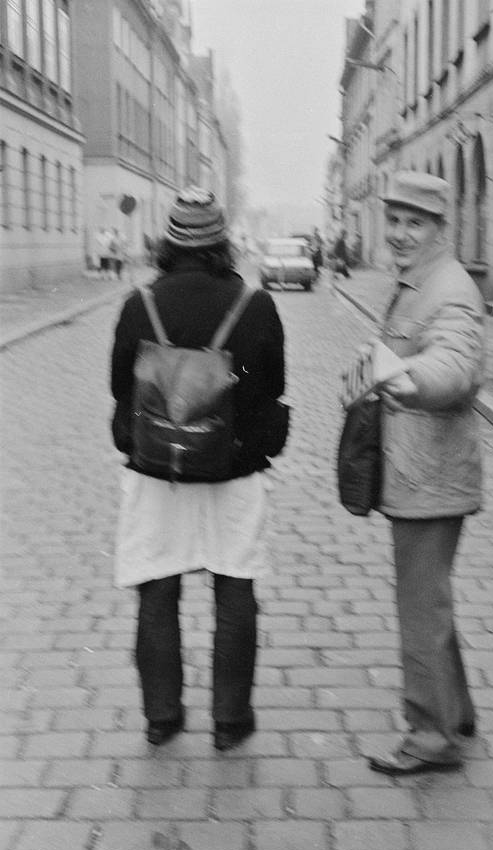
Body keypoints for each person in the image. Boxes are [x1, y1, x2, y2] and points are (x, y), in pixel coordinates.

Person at [110, 187, 285, 750]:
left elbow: (119, 386)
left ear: (169, 242)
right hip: (232, 470)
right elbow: (272, 387)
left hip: (157, 470)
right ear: (222, 243)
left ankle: (163, 717)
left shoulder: (140, 305)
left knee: (156, 589)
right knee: (235, 589)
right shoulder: (255, 305)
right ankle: (231, 721)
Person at [365, 171, 485, 776]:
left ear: (440, 228)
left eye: (415, 223)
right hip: (423, 469)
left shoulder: (450, 289)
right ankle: (456, 712)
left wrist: (411, 381)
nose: (400, 234)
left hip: (431, 477)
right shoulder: (417, 282)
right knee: (430, 600)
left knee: (420, 609)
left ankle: (431, 739)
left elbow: (455, 360)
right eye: (394, 220)